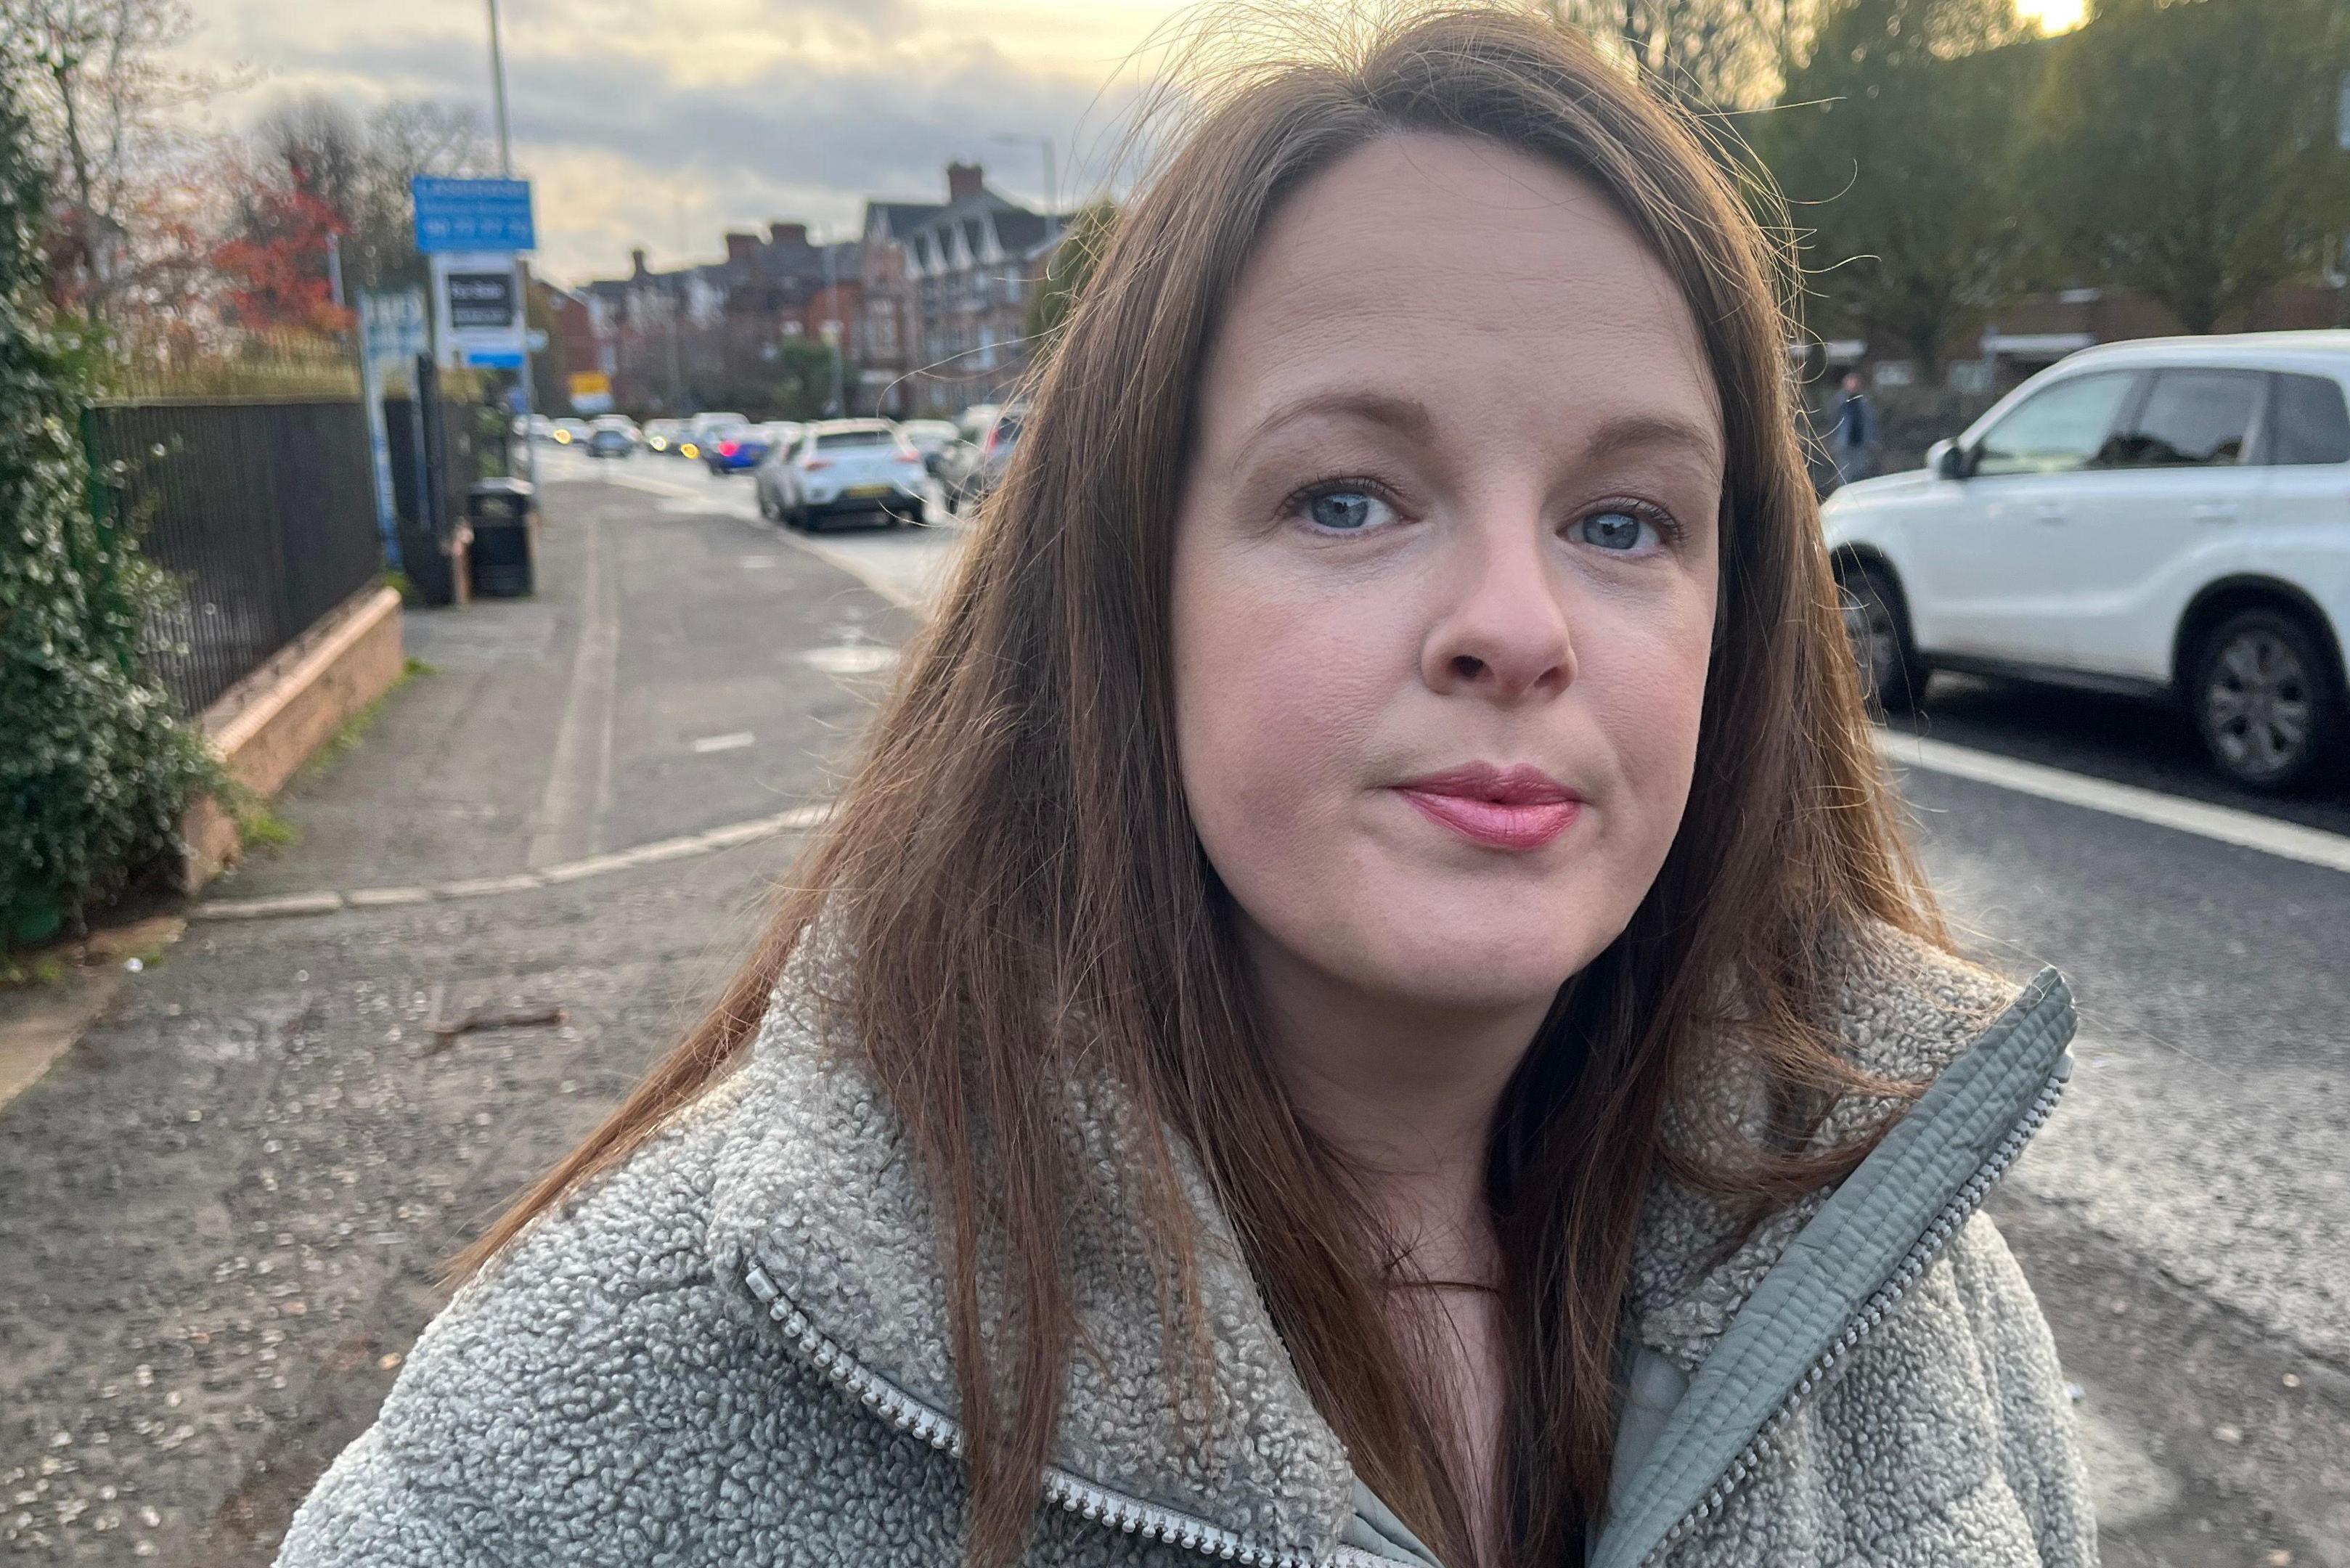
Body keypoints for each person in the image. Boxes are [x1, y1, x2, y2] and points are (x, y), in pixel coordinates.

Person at [273, 10, 2091, 1568]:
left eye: (1625, 521)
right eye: (1347, 497)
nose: (1515, 627)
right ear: (1128, 592)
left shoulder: (1897, 1277)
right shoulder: (634, 1383)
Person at [1833, 370, 1880, 488]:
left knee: (1860, 471)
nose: (1853, 386)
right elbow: (1834, 423)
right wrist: (1834, 442)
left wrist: (1873, 440)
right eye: (1851, 384)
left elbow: (1870, 423)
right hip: (1845, 443)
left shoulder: (1865, 402)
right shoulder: (1840, 403)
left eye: (1856, 384)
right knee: (1844, 472)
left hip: (1861, 443)